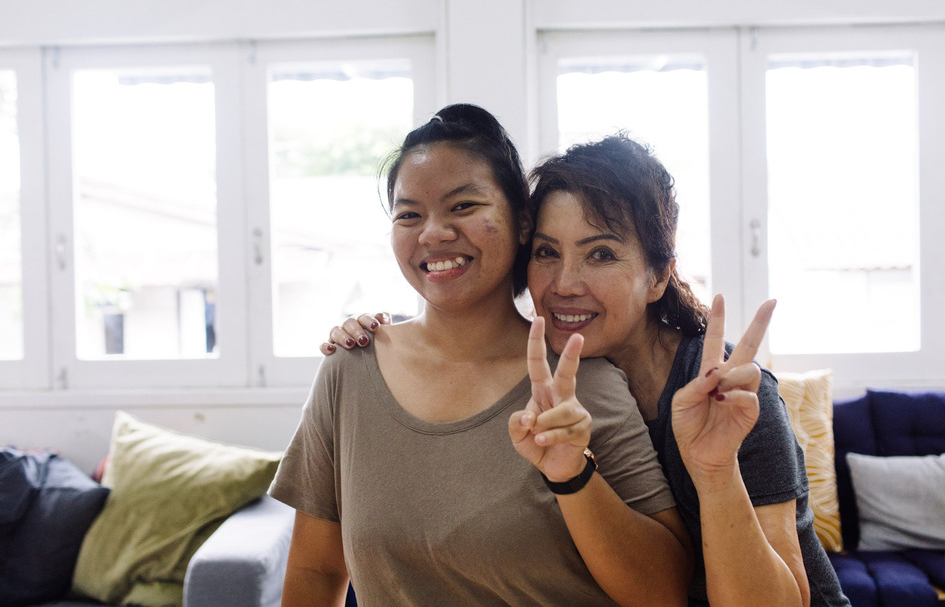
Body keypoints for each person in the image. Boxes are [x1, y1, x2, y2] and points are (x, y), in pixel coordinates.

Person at [324, 133, 851, 606]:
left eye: (600, 254)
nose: (564, 283)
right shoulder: (556, 380)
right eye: (547, 253)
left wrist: (715, 473)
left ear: (658, 275)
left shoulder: (724, 397)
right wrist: (378, 331)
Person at [270, 106, 693, 607]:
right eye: (409, 214)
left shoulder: (577, 379)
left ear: (521, 224)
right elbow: (316, 571)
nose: (433, 233)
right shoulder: (350, 368)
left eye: (464, 205)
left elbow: (666, 591)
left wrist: (574, 475)